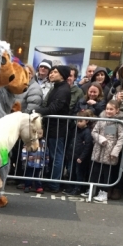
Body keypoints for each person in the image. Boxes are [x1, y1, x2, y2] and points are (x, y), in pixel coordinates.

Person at [31, 65, 72, 193]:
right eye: (52, 72)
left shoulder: (64, 90)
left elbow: (54, 108)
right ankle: (50, 181)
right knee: (52, 156)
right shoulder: (56, 88)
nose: (51, 74)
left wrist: (37, 110)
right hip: (52, 126)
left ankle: (54, 184)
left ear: (62, 75)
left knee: (56, 156)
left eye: (55, 72)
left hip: (58, 128)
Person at [89, 99, 123, 202]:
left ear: (117, 111)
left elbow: (121, 139)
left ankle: (104, 193)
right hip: (98, 150)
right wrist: (100, 139)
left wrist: (115, 152)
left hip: (110, 153)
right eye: (107, 109)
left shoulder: (119, 123)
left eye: (111, 109)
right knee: (96, 172)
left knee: (107, 174)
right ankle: (93, 190)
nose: (109, 111)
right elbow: (94, 132)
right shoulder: (101, 120)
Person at [64, 109, 95, 195]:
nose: (78, 123)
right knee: (71, 172)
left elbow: (88, 146)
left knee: (79, 173)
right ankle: (71, 186)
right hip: (72, 155)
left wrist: (82, 157)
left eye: (81, 121)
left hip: (80, 157)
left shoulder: (87, 132)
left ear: (87, 121)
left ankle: (78, 187)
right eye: (77, 121)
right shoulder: (75, 129)